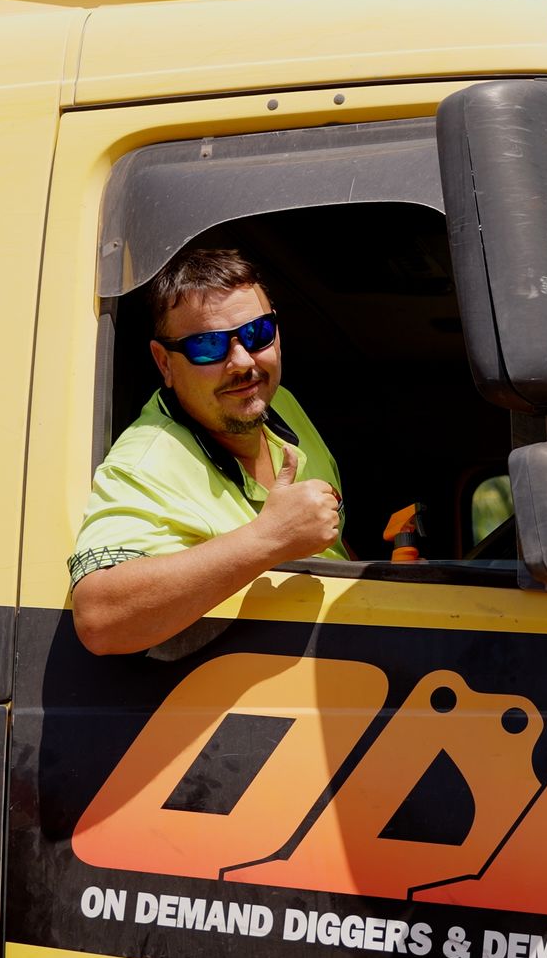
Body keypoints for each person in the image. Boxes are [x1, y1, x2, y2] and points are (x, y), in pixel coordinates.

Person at [69, 248, 347, 656]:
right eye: (208, 346)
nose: (242, 362)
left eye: (257, 334)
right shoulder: (145, 462)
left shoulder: (277, 402)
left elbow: (326, 538)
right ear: (164, 363)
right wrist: (268, 537)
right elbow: (99, 618)